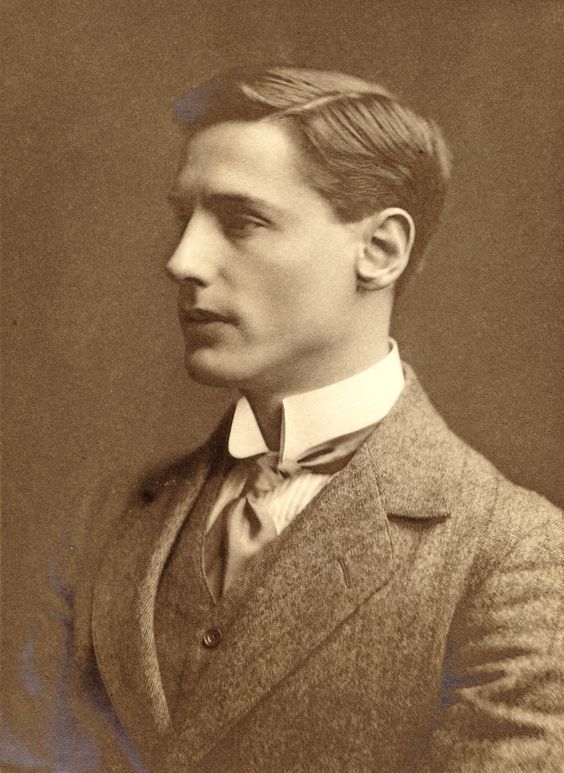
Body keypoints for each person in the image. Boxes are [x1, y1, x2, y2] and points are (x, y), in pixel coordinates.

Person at [4, 66, 563, 772]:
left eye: (242, 220)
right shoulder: (109, 516)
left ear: (380, 249)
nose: (183, 260)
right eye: (185, 218)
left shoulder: (514, 558)